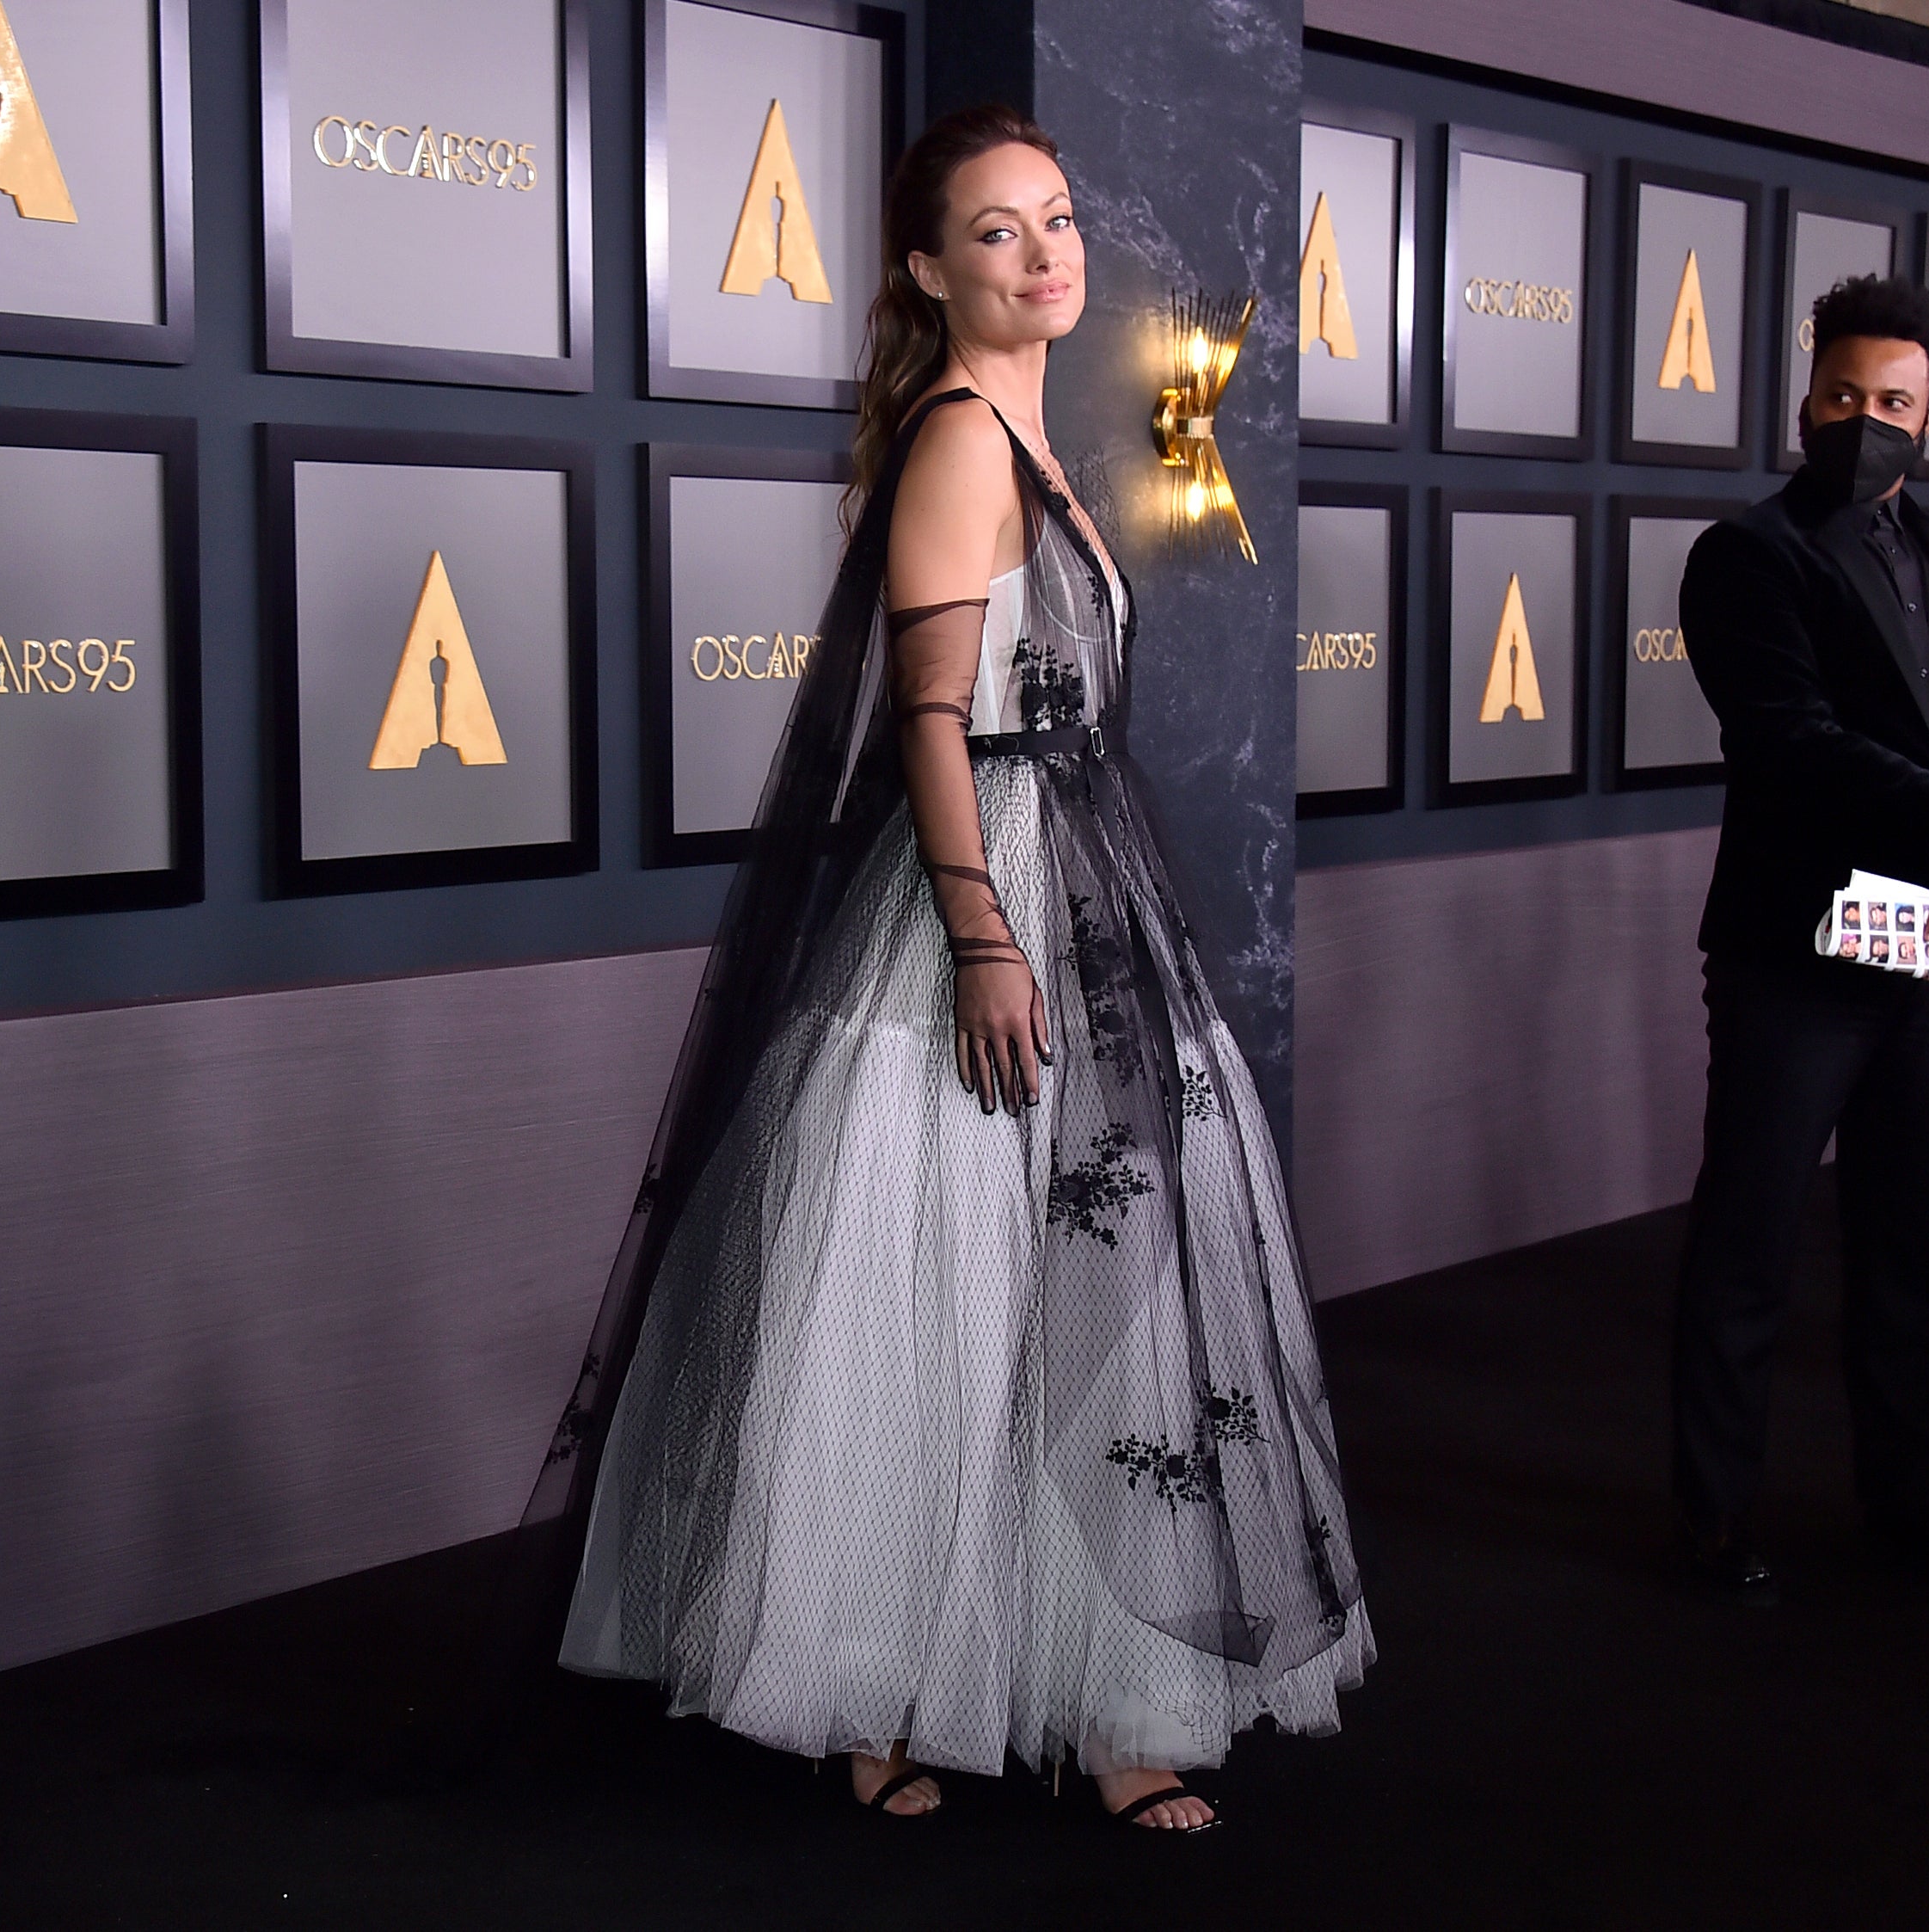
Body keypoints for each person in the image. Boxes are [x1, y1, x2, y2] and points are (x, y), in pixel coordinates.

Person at [532, 107, 1370, 1830]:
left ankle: (1119, 1690)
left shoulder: (1035, 440)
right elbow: (928, 718)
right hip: (982, 889)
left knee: (1099, 1283)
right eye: (995, 231)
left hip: (1093, 882)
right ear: (927, 269)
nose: (1042, 251)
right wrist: (982, 938)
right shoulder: (956, 441)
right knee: (940, 1290)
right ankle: (886, 1688)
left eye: (1052, 219)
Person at [1671, 276, 1929, 1602]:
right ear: (1803, 399)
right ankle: (1711, 1521)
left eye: (1891, 402)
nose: (1863, 421)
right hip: (1797, 956)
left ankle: (1906, 1505)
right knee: (1749, 1238)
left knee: (1908, 1248)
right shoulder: (1745, 555)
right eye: (1841, 398)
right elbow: (1793, 745)